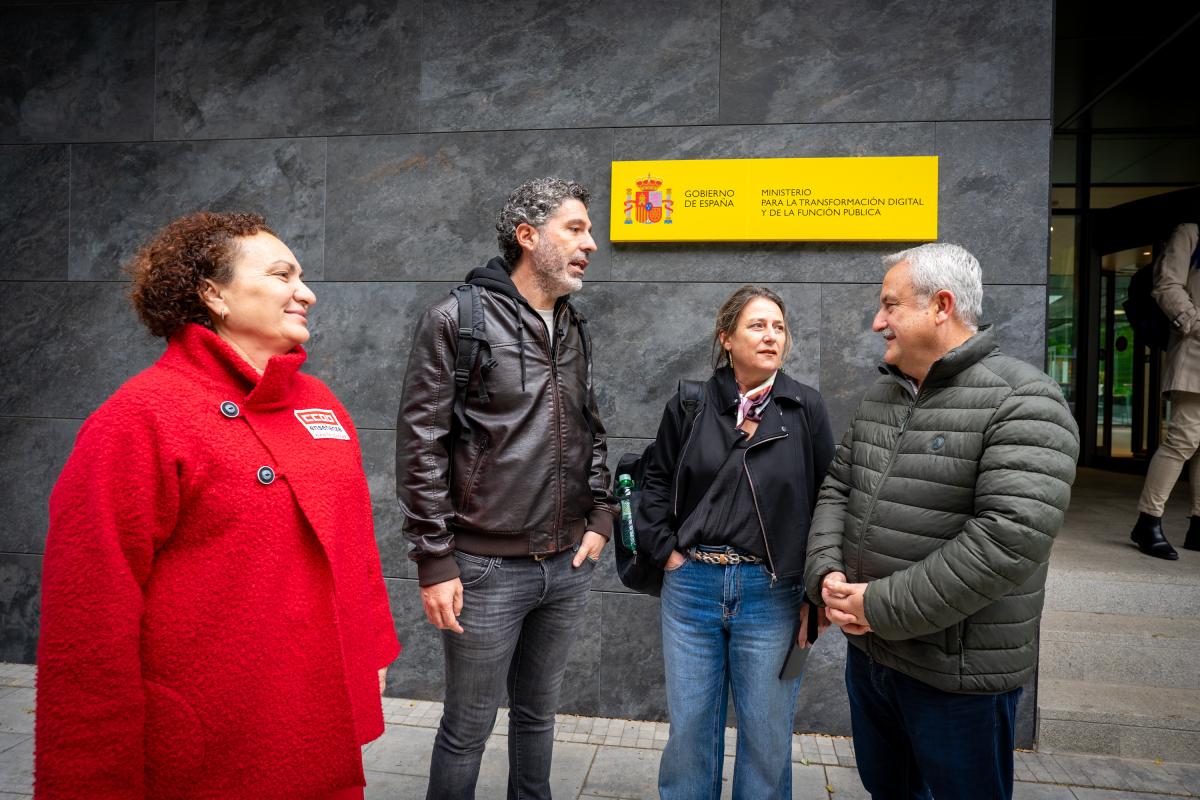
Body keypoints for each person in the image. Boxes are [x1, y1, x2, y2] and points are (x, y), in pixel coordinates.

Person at [35, 212, 400, 799]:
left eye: (301, 276)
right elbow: (89, 618)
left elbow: (352, 537)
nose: (305, 292)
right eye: (283, 275)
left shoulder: (318, 401)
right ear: (213, 294)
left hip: (313, 712)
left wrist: (372, 645)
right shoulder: (141, 416)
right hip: (212, 737)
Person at [804, 243, 1079, 800]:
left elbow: (1006, 540)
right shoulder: (884, 392)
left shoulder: (1025, 400)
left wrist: (877, 606)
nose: (878, 322)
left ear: (941, 306)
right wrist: (826, 574)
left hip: (956, 678)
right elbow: (838, 486)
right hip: (874, 660)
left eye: (890, 305)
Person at [395, 177, 616, 800]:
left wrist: (601, 516)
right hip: (485, 568)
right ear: (527, 236)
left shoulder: (573, 325)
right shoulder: (456, 318)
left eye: (589, 230)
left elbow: (588, 426)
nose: (590, 244)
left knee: (538, 718)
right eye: (575, 229)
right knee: (467, 727)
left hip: (567, 565)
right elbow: (420, 446)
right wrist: (435, 558)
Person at [635, 285, 835, 800]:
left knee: (767, 738)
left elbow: (827, 499)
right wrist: (666, 552)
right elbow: (653, 482)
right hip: (692, 586)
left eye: (779, 327)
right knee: (690, 733)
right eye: (757, 325)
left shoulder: (803, 406)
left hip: (771, 592)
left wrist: (815, 587)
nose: (772, 336)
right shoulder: (691, 404)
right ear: (726, 338)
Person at [1129, 222, 1200, 559]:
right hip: (1195, 354)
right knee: (1182, 440)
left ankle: (1199, 525)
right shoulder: (1191, 233)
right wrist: (1194, 323)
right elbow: (1167, 284)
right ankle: (1149, 519)